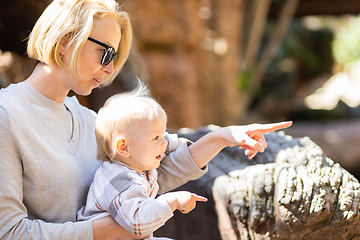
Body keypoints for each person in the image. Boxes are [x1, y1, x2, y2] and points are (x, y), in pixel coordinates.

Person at [0, 0, 292, 239]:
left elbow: (138, 185)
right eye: (106, 53)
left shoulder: (88, 119)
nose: (111, 67)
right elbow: (8, 233)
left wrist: (221, 138)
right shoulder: (6, 116)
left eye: (115, 57)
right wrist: (102, 232)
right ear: (66, 42)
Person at [77, 83, 209, 239]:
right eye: (155, 137)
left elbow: (165, 141)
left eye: (162, 134)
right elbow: (137, 222)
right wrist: (171, 201)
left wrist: (178, 143)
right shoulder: (118, 180)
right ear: (124, 147)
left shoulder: (133, 163)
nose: (164, 143)